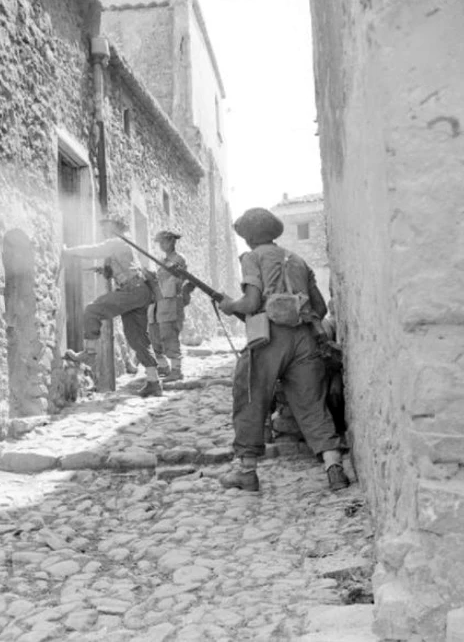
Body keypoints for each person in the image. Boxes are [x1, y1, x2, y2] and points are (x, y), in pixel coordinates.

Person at [217, 207, 350, 493]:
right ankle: (333, 466)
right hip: (304, 338)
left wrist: (230, 306)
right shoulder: (298, 260)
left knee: (250, 395)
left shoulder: (252, 257)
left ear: (250, 236)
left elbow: (252, 303)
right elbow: (320, 308)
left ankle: (247, 472)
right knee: (312, 403)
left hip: (268, 338)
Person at [62, 214, 163, 398]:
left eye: (106, 226)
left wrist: (69, 251)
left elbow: (94, 250)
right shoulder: (125, 242)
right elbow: (125, 267)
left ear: (115, 227)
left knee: (92, 310)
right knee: (136, 338)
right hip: (140, 291)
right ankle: (154, 382)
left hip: (131, 290)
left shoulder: (117, 242)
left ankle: (89, 353)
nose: (103, 230)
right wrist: (106, 270)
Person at [148, 230, 193, 382]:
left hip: (171, 302)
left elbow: (178, 278)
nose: (162, 245)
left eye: (165, 241)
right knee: (155, 335)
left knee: (169, 335)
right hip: (158, 302)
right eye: (160, 242)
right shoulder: (163, 260)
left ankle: (176, 370)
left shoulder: (178, 259)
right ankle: (163, 366)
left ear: (173, 242)